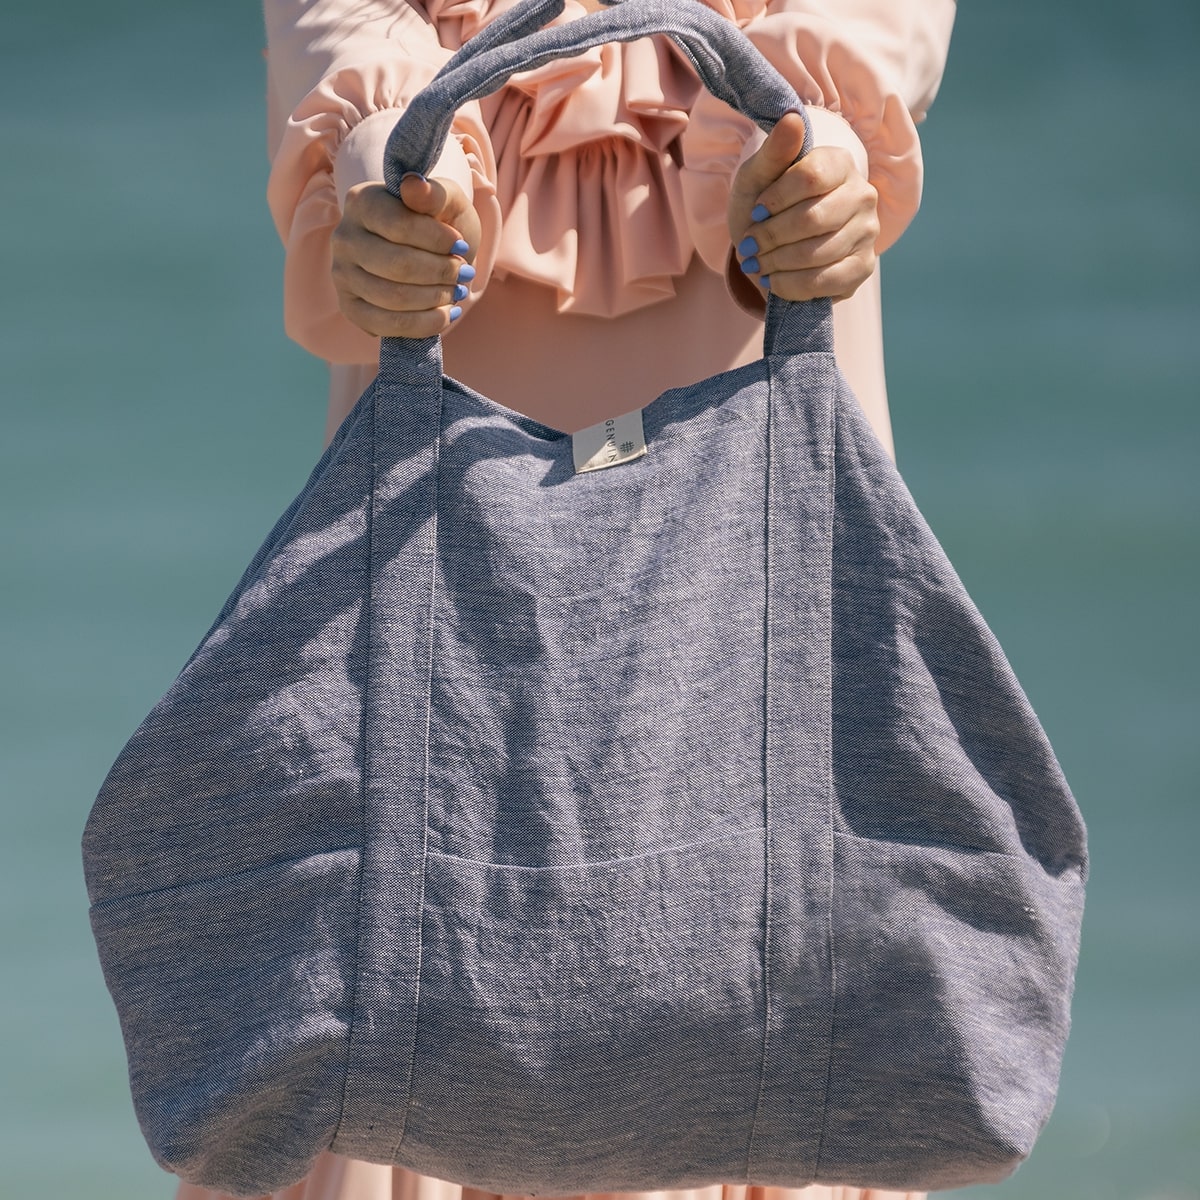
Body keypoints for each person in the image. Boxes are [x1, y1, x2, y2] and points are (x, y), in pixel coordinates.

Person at [179, 0, 955, 1197]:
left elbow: (865, 40)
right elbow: (342, 40)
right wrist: (388, 174)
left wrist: (812, 165)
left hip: (752, 689)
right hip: (437, 717)